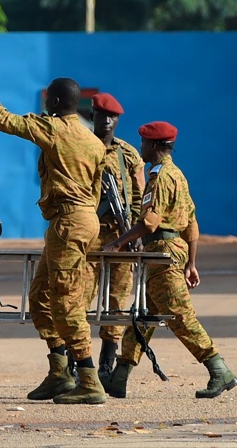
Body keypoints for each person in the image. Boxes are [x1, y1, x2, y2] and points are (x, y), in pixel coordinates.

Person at [0, 48, 107, 404]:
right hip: (81, 221)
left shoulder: (55, 129)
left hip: (69, 223)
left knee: (64, 302)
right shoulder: (93, 141)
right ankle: (59, 371)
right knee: (40, 297)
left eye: (49, 99)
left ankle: (89, 380)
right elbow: (95, 190)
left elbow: (8, 122)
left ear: (56, 101)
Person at [102, 121, 237, 400]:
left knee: (180, 316)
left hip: (161, 254)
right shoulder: (179, 175)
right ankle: (120, 375)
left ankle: (218, 369)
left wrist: (119, 242)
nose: (140, 148)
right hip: (171, 252)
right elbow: (191, 224)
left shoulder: (160, 177)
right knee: (142, 318)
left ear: (153, 146)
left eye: (143, 143)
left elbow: (149, 223)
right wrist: (191, 263)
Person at [84, 92, 144, 381]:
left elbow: (139, 199)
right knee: (79, 298)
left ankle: (106, 363)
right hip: (88, 234)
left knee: (117, 300)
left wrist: (137, 232)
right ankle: (77, 361)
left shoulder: (128, 154)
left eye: (112, 117)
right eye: (101, 115)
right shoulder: (81, 146)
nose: (106, 121)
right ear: (92, 115)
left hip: (121, 236)